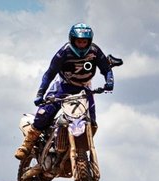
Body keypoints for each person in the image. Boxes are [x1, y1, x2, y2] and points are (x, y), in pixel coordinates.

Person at [14, 22, 114, 160]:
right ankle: (27, 145)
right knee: (45, 113)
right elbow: (49, 74)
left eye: (84, 41)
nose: (81, 45)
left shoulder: (95, 51)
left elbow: (106, 68)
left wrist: (109, 82)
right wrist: (40, 94)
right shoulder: (63, 52)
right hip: (63, 86)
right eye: (79, 41)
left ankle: (81, 148)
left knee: (93, 123)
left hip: (85, 88)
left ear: (89, 41)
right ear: (72, 40)